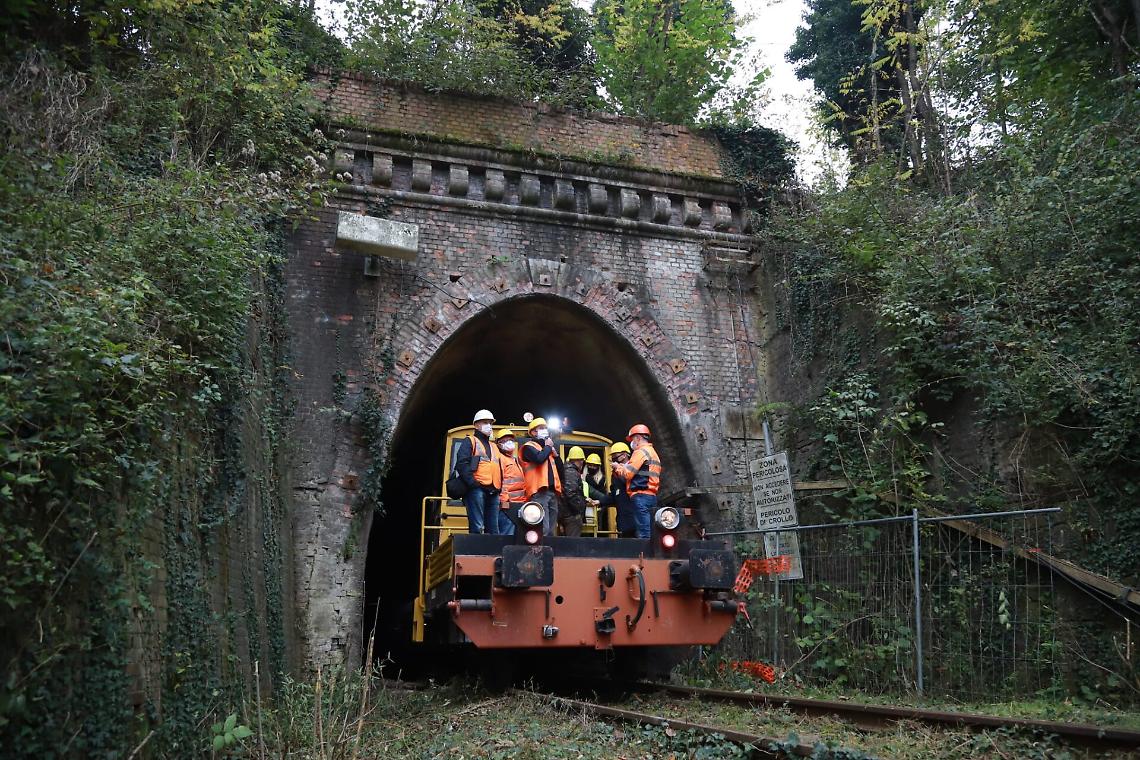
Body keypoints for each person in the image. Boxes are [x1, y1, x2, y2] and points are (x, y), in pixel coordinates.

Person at [455, 409, 502, 534]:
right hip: (477, 489)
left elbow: (499, 467)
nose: (489, 426)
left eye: (490, 423)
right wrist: (473, 483)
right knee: (478, 527)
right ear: (476, 425)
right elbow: (462, 463)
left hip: (493, 491)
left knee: (494, 529)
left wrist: (499, 488)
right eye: (485, 422)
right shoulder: (470, 441)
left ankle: (493, 552)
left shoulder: (494, 446)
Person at [613, 424, 661, 539]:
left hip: (640, 496)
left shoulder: (640, 452)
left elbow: (628, 474)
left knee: (643, 533)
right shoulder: (653, 453)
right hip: (652, 496)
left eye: (632, 439)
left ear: (638, 438)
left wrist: (617, 468)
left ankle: (645, 556)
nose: (632, 442)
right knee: (650, 530)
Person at [520, 417, 562, 536]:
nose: (545, 431)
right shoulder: (528, 447)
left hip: (552, 493)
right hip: (539, 492)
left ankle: (550, 550)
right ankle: (539, 553)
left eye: (545, 428)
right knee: (543, 528)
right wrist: (548, 447)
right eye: (541, 428)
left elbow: (560, 470)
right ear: (533, 432)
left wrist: (556, 455)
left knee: (552, 529)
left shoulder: (547, 450)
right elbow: (538, 459)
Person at [598, 442, 636, 538]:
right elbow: (615, 494)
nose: (613, 459)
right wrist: (599, 501)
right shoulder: (615, 474)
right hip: (623, 519)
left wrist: (618, 469)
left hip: (634, 515)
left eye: (615, 456)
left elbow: (628, 481)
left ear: (624, 455)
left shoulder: (633, 468)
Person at [496, 428, 525, 535]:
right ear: (499, 444)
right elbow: (499, 481)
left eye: (510, 440)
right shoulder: (500, 459)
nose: (509, 442)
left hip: (518, 505)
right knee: (507, 536)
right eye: (505, 440)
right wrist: (504, 501)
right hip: (507, 507)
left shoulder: (515, 460)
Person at [559, 446, 588, 537]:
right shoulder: (571, 472)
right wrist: (579, 509)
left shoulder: (567, 470)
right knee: (572, 544)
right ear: (580, 460)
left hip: (566, 512)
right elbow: (570, 493)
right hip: (571, 514)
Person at [583, 452, 606, 532]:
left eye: (594, 465)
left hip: (599, 505)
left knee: (598, 527)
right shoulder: (583, 477)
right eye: (590, 465)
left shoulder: (602, 479)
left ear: (598, 466)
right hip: (587, 504)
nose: (592, 467)